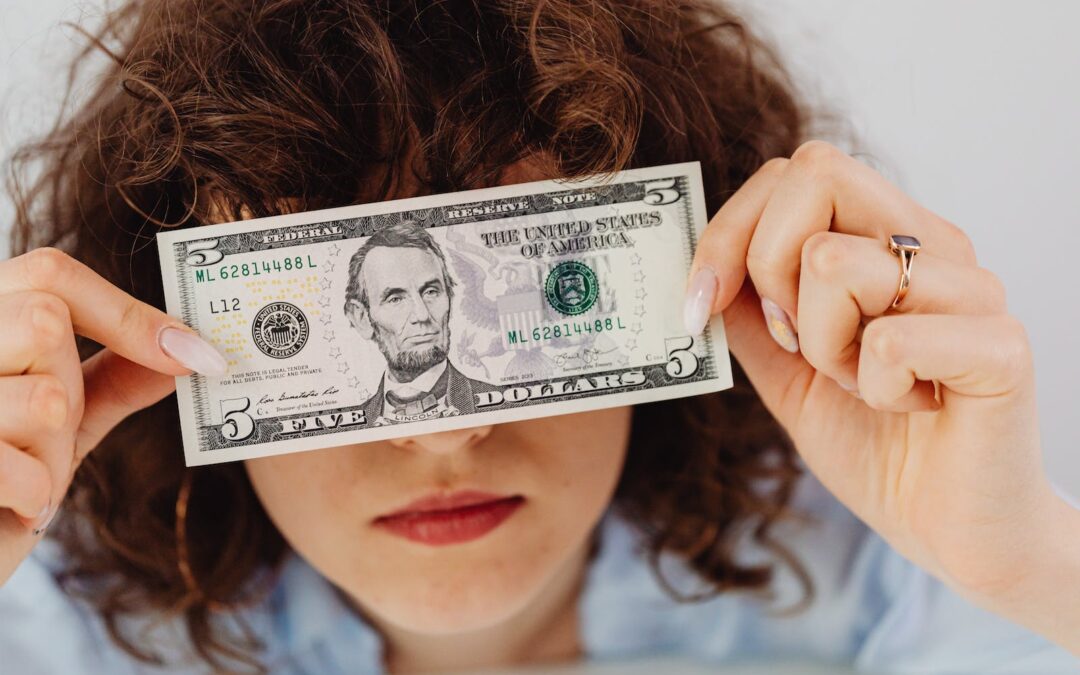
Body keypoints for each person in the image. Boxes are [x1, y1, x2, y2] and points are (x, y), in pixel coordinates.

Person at [0, 0, 1078, 673]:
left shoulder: (878, 574)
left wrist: (1031, 563)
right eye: (335, 316)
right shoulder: (41, 627)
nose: (440, 442)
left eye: (520, 300)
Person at [342, 220, 496, 425]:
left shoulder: (505, 405)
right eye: (395, 299)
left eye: (431, 292)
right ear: (362, 318)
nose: (422, 315)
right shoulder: (353, 427)